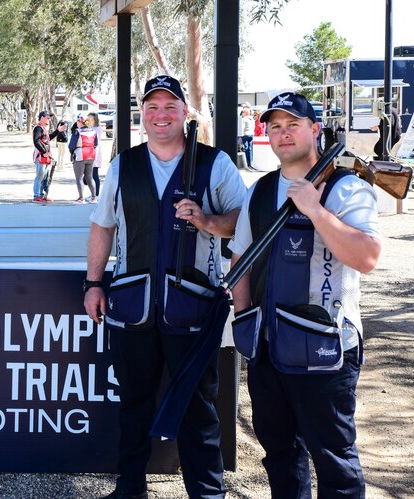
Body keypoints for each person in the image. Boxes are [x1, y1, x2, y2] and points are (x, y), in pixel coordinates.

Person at [83, 75, 247, 498]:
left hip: (192, 308)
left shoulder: (214, 163)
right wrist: (94, 283)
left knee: (197, 408)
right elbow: (103, 225)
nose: (160, 116)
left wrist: (207, 221)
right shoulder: (124, 164)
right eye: (152, 107)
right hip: (132, 305)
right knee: (134, 404)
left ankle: (207, 492)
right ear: (143, 114)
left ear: (185, 113)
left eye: (170, 107)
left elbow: (245, 223)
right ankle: (130, 487)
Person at [228, 92, 380, 498]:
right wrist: (245, 322)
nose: (283, 134)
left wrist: (315, 209)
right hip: (268, 350)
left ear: (314, 130)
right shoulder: (259, 191)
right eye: (275, 126)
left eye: (293, 124)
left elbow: (366, 257)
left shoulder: (346, 189)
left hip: (327, 353)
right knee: (279, 454)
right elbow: (240, 258)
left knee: (335, 461)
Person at [31, 111, 62, 202]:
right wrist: (44, 152)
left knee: (45, 177)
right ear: (42, 117)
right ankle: (37, 195)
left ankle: (43, 195)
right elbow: (36, 141)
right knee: (40, 176)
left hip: (46, 156)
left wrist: (57, 131)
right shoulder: (38, 128)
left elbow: (48, 138)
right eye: (47, 117)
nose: (49, 119)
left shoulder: (43, 129)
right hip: (41, 156)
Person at [68, 113, 98, 203]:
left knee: (79, 177)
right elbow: (95, 144)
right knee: (89, 177)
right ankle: (94, 198)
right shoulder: (93, 131)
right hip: (91, 155)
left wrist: (72, 153)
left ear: (80, 122)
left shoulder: (77, 132)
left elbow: (71, 146)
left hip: (80, 155)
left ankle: (81, 198)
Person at [89, 112, 104, 200]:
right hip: (89, 153)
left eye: (91, 118)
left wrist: (94, 155)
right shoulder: (90, 127)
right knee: (89, 175)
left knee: (94, 174)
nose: (89, 120)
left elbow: (96, 143)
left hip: (95, 153)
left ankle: (96, 194)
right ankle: (93, 194)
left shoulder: (97, 129)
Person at [239, 102, 254, 168]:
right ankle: (250, 162)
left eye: (242, 112)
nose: (242, 113)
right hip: (251, 134)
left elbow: (242, 127)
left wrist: (240, 135)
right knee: (250, 149)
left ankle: (247, 163)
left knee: (245, 148)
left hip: (245, 134)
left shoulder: (244, 119)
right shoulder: (252, 119)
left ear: (245, 113)